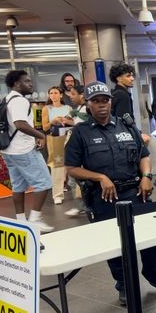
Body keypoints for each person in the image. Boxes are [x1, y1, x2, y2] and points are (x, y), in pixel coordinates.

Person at [65, 81, 156, 306]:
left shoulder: (126, 126)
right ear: (87, 104)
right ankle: (124, 284)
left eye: (105, 100)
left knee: (148, 237)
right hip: (103, 197)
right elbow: (71, 167)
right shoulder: (80, 133)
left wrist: (146, 176)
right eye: (96, 101)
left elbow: (144, 154)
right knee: (115, 243)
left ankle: (154, 275)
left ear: (110, 102)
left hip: (135, 191)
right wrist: (100, 177)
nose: (101, 105)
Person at [1, 70, 54, 233]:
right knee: (44, 183)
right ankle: (35, 219)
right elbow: (20, 124)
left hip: (9, 150)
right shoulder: (20, 101)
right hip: (23, 150)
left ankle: (21, 221)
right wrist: (40, 135)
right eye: (27, 81)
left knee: (18, 186)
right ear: (17, 84)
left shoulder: (7, 99)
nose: (30, 84)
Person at [42, 86, 71, 205]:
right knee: (57, 166)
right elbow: (44, 127)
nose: (53, 95)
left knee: (74, 163)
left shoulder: (68, 108)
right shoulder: (46, 108)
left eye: (56, 93)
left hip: (69, 135)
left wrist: (65, 120)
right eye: (51, 93)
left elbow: (73, 121)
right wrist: (53, 121)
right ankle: (57, 194)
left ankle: (79, 193)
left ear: (61, 95)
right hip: (55, 137)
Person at [64, 85, 89, 217]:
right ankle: (81, 206)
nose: (71, 97)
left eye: (73, 94)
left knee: (78, 180)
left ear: (82, 95)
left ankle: (84, 206)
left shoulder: (86, 109)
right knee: (73, 181)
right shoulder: (78, 109)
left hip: (83, 151)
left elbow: (83, 123)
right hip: (76, 149)